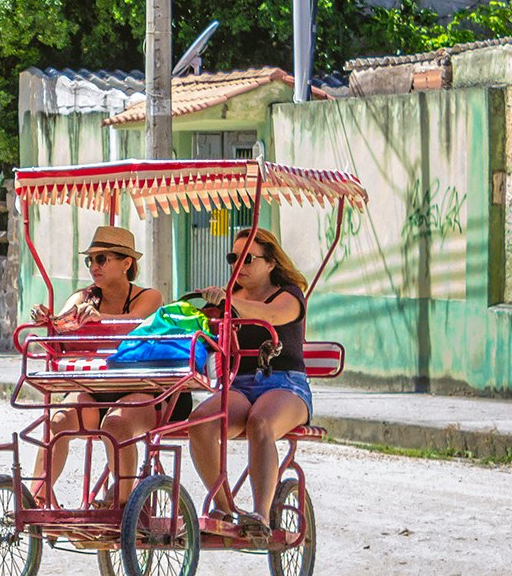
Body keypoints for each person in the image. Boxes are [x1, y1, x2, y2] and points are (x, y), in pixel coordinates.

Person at [27, 225, 163, 508]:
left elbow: (131, 327)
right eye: (90, 260)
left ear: (127, 263)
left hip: (143, 389)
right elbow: (61, 327)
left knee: (116, 423)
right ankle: (36, 499)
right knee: (57, 422)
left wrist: (98, 318)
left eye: (102, 259)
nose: (94, 266)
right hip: (95, 387)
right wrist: (50, 321)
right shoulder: (83, 297)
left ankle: (124, 505)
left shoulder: (149, 297)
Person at [188, 227, 312, 536]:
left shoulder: (289, 294)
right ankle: (224, 505)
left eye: (247, 259)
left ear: (270, 263)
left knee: (260, 422)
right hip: (241, 384)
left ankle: (261, 515)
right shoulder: (231, 299)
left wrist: (230, 301)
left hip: (286, 384)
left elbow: (270, 316)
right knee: (200, 422)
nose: (237, 266)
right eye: (234, 258)